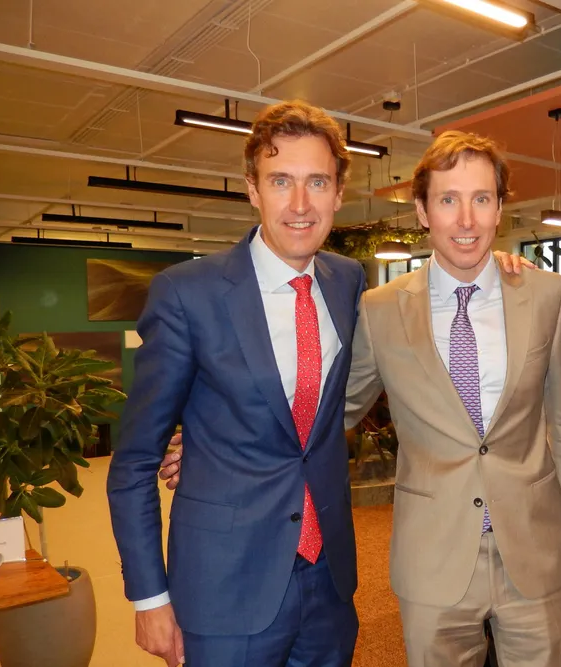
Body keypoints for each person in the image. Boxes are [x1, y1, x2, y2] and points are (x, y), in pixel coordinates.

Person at [106, 100, 365, 667]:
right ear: (253, 190)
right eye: (281, 181)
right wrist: (149, 597)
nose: (300, 204)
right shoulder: (187, 293)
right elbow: (133, 463)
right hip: (225, 585)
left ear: (338, 194)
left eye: (317, 182)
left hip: (328, 579)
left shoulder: (348, 280)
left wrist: (489, 264)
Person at [344, 129, 561, 667]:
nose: (466, 220)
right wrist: (220, 439)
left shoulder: (546, 295)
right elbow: (332, 412)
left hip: (536, 547)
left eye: (481, 198)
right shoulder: (380, 310)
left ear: (500, 208)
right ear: (423, 211)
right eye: (448, 200)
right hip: (433, 555)